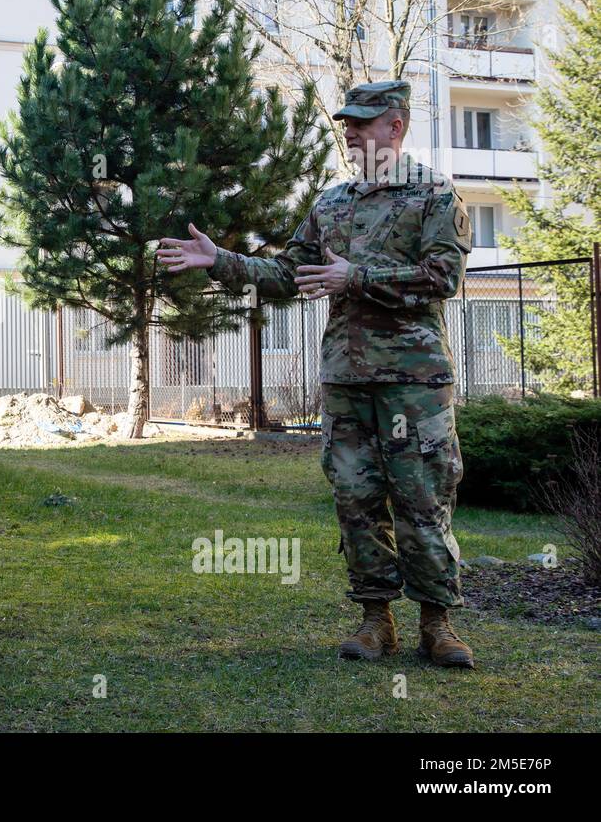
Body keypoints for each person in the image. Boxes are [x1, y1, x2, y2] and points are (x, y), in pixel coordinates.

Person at [157, 80, 476, 668]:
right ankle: (375, 619)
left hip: (414, 381)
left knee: (423, 498)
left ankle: (438, 622)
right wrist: (219, 261)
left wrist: (355, 278)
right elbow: (287, 274)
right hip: (345, 377)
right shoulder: (332, 203)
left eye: (362, 122)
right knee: (355, 498)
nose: (350, 132)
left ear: (395, 126)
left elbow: (442, 278)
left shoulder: (435, 195)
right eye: (347, 123)